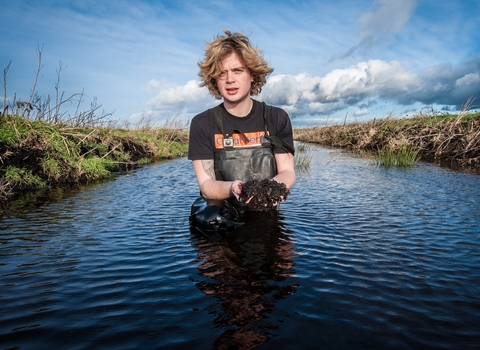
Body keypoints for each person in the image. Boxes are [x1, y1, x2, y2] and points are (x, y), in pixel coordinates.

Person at [188, 30, 295, 228]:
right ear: (214, 79)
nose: (230, 79)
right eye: (222, 72)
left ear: (252, 75)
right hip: (225, 219)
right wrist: (234, 188)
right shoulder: (202, 123)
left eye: (238, 70)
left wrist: (268, 189)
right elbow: (206, 185)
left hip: (268, 214)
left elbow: (287, 171)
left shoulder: (276, 118)